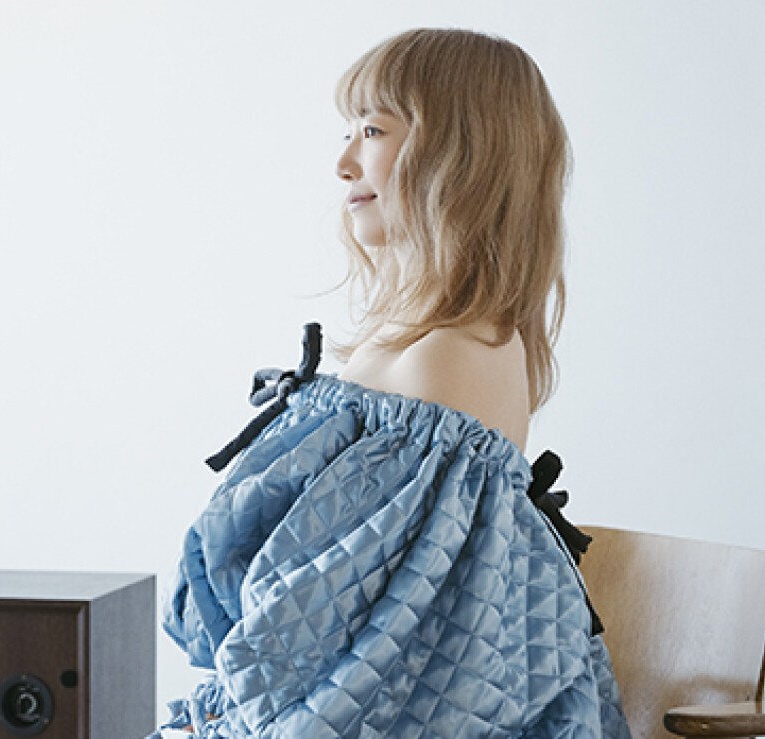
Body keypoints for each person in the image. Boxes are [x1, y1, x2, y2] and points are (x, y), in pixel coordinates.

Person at [151, 29, 630, 739]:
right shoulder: (436, 343)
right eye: (347, 132)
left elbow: (383, 645)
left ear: (461, 154)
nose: (344, 161)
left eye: (372, 131)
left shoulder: (446, 359)